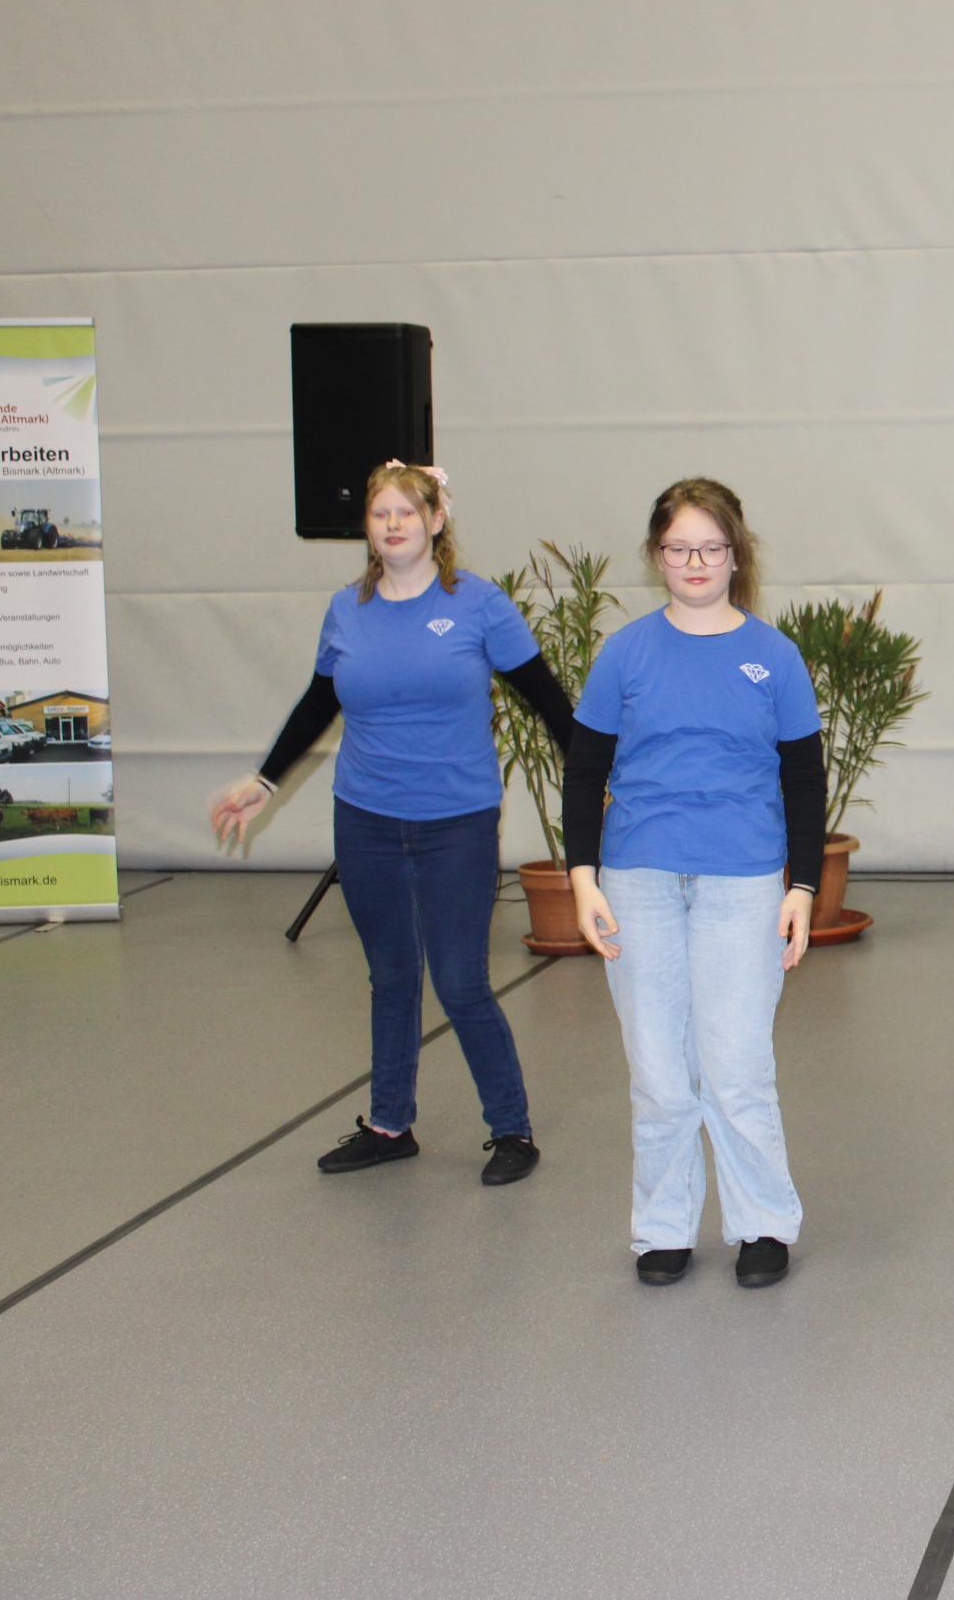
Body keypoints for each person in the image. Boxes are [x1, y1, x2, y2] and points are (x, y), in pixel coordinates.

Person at [208, 461, 572, 1185]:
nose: (395, 524)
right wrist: (264, 780)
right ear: (368, 529)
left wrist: (596, 782)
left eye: (408, 511)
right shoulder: (347, 610)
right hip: (367, 820)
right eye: (381, 514)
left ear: (436, 521)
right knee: (392, 977)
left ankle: (512, 1129)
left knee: (460, 981)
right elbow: (319, 702)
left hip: (456, 823)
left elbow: (548, 701)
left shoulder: (477, 604)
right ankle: (388, 1124)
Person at [563, 478, 823, 1290]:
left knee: (736, 1065)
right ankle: (663, 1227)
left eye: (711, 547)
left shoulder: (774, 657)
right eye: (679, 549)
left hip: (743, 880)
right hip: (637, 877)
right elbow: (585, 770)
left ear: (736, 554)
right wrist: (582, 879)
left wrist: (803, 888)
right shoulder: (626, 654)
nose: (696, 562)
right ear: (657, 556)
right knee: (657, 1069)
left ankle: (762, 1223)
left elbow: (804, 779)